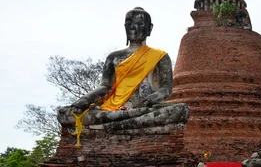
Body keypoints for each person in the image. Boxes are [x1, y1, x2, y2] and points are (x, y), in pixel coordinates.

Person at [57, 7, 188, 131]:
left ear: (150, 28)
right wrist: (84, 100)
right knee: (67, 114)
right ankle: (122, 122)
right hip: (113, 108)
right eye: (129, 23)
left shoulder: (160, 56)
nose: (133, 27)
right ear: (124, 26)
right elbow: (106, 87)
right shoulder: (114, 57)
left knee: (178, 110)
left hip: (145, 108)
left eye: (140, 23)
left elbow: (166, 89)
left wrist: (154, 97)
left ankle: (114, 124)